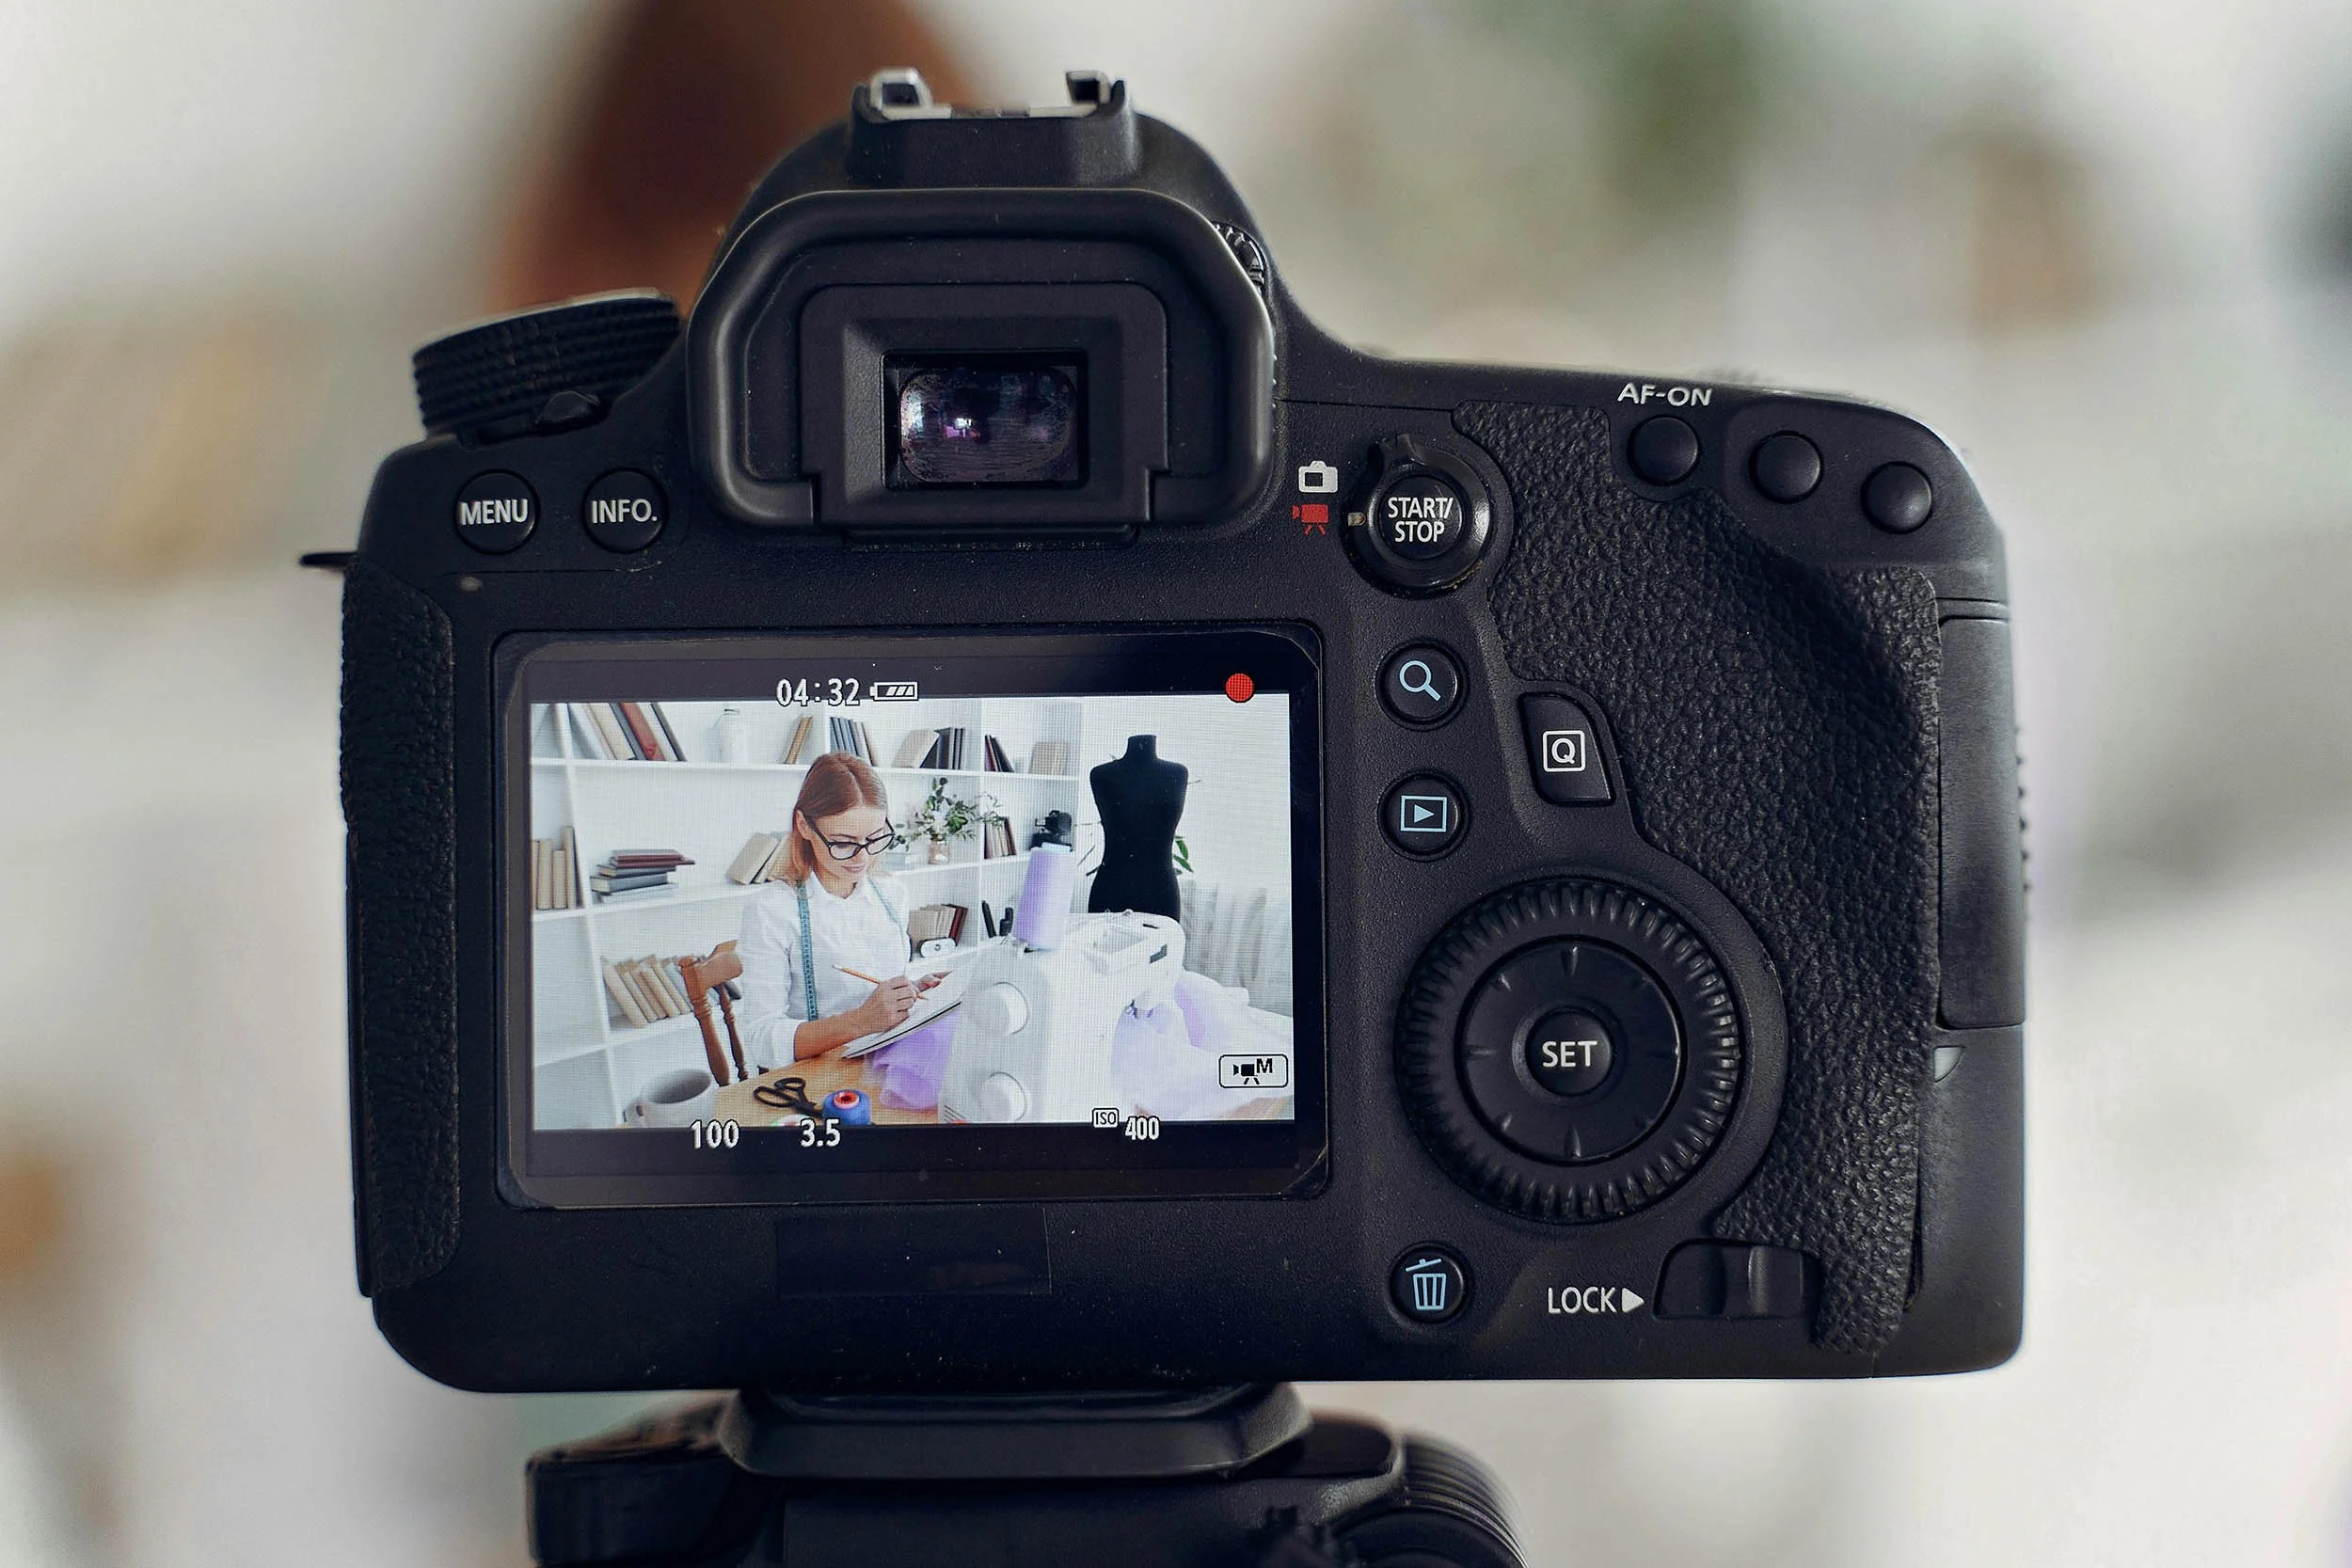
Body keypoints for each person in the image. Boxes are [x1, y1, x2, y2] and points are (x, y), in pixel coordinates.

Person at [737, 752, 940, 1067]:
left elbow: (873, 985)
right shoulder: (772, 910)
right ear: (804, 825)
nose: (862, 858)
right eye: (843, 843)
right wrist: (860, 1022)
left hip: (885, 1056)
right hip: (817, 1073)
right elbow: (760, 1040)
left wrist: (911, 990)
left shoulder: (891, 893)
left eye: (874, 838)